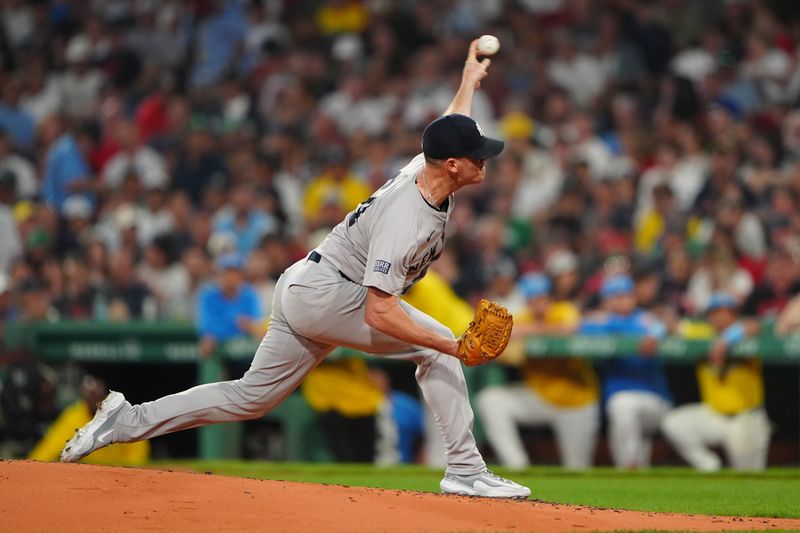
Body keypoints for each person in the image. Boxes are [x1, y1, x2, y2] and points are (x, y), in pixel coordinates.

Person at [60, 40, 531, 499]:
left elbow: (452, 129)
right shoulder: (406, 220)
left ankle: (125, 420)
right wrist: (452, 344)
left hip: (308, 284)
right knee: (439, 353)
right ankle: (467, 470)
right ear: (452, 166)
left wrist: (468, 81)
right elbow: (379, 313)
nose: (485, 159)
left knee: (251, 397)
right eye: (477, 155)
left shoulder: (423, 170)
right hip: (332, 294)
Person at [477, 273, 600, 470]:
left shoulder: (563, 310)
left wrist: (526, 332)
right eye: (532, 299)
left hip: (576, 401)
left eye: (541, 298)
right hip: (539, 397)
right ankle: (517, 465)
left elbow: (570, 329)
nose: (537, 304)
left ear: (550, 298)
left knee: (578, 469)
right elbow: (501, 351)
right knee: (490, 400)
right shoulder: (521, 317)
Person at [661, 292, 770, 471]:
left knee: (749, 481)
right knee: (674, 423)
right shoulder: (702, 334)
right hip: (715, 416)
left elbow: (756, 326)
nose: (719, 316)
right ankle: (710, 466)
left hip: (747, 418)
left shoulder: (745, 332)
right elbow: (671, 326)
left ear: (734, 314)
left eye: (725, 311)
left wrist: (726, 340)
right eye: (714, 312)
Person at [580, 274, 671, 469]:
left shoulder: (648, 320)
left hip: (654, 401)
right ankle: (634, 477)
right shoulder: (600, 323)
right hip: (619, 402)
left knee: (623, 405)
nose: (622, 300)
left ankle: (630, 469)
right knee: (622, 413)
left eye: (626, 295)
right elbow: (579, 327)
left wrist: (657, 331)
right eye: (616, 296)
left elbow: (667, 325)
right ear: (606, 300)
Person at [28, 376, 150, 465]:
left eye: (96, 394)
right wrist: (33, 465)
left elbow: (137, 454)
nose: (93, 399)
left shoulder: (120, 414)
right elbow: (49, 449)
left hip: (118, 475)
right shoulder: (74, 416)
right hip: (85, 477)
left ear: (104, 395)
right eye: (89, 395)